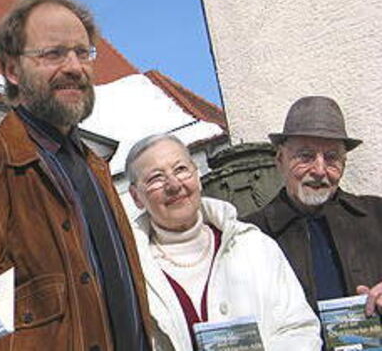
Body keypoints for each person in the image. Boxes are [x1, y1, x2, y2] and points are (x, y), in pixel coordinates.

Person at [0, 0, 173, 351]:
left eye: (82, 52)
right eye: (53, 54)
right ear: (12, 69)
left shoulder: (95, 167)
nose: (74, 67)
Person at [126, 134, 321, 351]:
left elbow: (299, 328)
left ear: (197, 175)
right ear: (136, 197)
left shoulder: (253, 246)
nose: (174, 185)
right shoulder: (129, 270)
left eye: (181, 169)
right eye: (155, 178)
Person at [243, 96, 382, 315]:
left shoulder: (377, 215)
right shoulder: (250, 234)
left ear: (343, 164)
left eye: (331, 158)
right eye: (306, 156)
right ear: (280, 160)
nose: (319, 170)